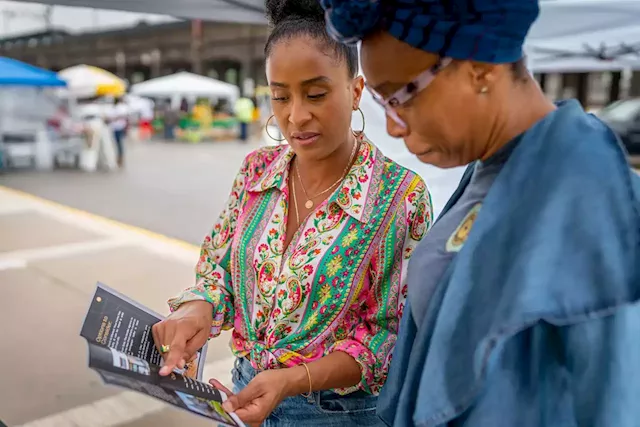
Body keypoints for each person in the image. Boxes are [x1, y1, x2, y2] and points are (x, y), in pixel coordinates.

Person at [320, 1, 640, 426]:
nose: (393, 126)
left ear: (480, 69)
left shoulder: (595, 210)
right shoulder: (492, 169)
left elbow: (612, 405)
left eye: (400, 96)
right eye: (381, 103)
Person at [152, 0, 433, 425]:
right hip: (246, 393)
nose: (296, 116)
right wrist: (198, 308)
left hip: (339, 414)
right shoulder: (256, 171)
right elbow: (220, 271)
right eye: (280, 96)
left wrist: (292, 380)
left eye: (316, 94)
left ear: (355, 91)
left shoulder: (400, 197)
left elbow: (391, 340)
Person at [107, 97, 129, 167]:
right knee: (116, 144)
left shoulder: (121, 108)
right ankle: (117, 158)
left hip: (119, 128)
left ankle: (120, 158)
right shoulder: (112, 108)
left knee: (119, 144)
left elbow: (124, 116)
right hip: (114, 128)